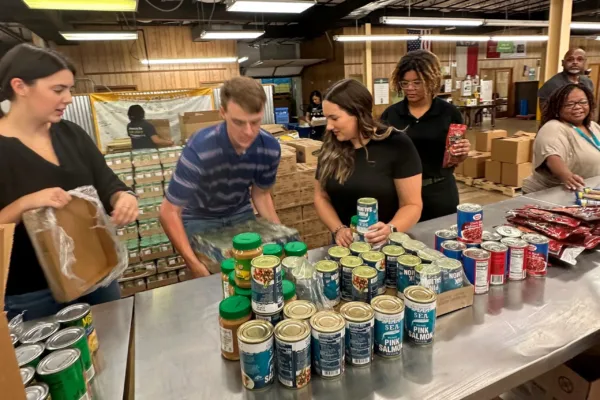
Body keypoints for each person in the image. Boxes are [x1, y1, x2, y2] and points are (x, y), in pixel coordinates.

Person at [0, 44, 139, 320]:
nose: (69, 98)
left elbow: (106, 180)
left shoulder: (71, 134)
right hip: (31, 293)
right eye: (58, 90)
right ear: (20, 86)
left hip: (97, 272)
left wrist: (123, 196)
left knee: (114, 347)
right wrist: (24, 204)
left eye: (70, 89)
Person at [160, 77, 281, 278]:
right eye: (238, 122)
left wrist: (281, 236)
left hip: (239, 212)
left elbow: (261, 195)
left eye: (255, 122)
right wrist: (194, 265)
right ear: (223, 113)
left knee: (255, 276)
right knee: (210, 283)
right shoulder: (200, 148)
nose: (248, 132)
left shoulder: (268, 148)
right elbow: (169, 212)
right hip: (199, 217)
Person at [314, 79, 423, 247]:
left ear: (358, 114)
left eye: (334, 118)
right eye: (327, 118)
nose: (328, 126)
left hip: (387, 246)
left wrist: (391, 229)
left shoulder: (396, 144)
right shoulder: (330, 146)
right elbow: (321, 197)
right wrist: (339, 230)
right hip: (345, 246)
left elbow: (412, 204)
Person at [381, 50, 470, 222]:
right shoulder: (391, 115)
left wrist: (462, 153)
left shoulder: (449, 113)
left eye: (417, 83)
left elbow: (455, 155)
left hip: (439, 191)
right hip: (400, 195)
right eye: (405, 83)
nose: (410, 88)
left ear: (431, 81)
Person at [523, 83, 600, 193]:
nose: (578, 107)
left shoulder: (593, 126)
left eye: (583, 102)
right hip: (550, 195)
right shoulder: (553, 127)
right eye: (569, 104)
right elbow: (552, 156)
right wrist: (566, 175)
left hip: (586, 191)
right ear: (557, 107)